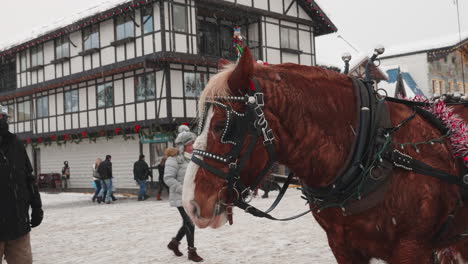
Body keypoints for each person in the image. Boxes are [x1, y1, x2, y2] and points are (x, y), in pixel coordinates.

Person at [0, 105, 43, 263]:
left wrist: (36, 205)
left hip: (18, 226)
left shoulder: (16, 144)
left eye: (3, 117)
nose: (2, 121)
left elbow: (28, 178)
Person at [165, 125, 203, 262]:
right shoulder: (174, 159)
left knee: (188, 222)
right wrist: (184, 189)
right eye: (190, 144)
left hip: (191, 196)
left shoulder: (192, 157)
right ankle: (192, 251)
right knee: (190, 222)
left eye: (193, 143)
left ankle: (174, 243)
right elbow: (168, 178)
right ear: (182, 146)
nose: (192, 146)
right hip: (179, 196)